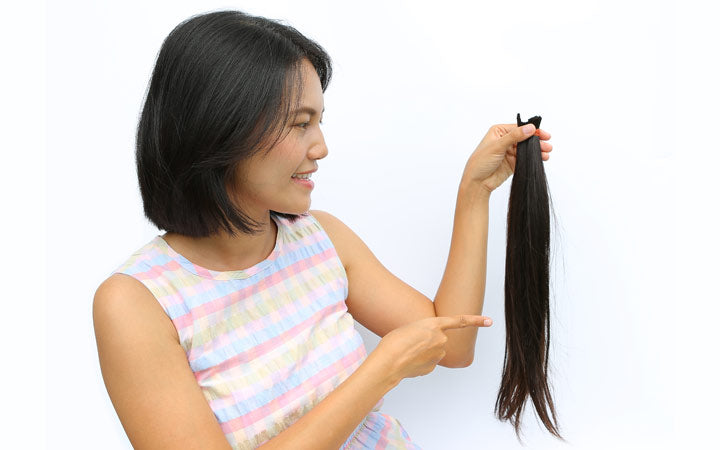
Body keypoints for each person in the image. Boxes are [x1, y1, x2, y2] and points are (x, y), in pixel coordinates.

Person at [92, 9, 553, 450]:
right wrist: (380, 369)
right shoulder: (137, 303)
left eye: (319, 120)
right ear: (219, 128)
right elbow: (394, 363)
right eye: (300, 124)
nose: (322, 147)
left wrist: (474, 192)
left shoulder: (320, 240)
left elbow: (451, 344)